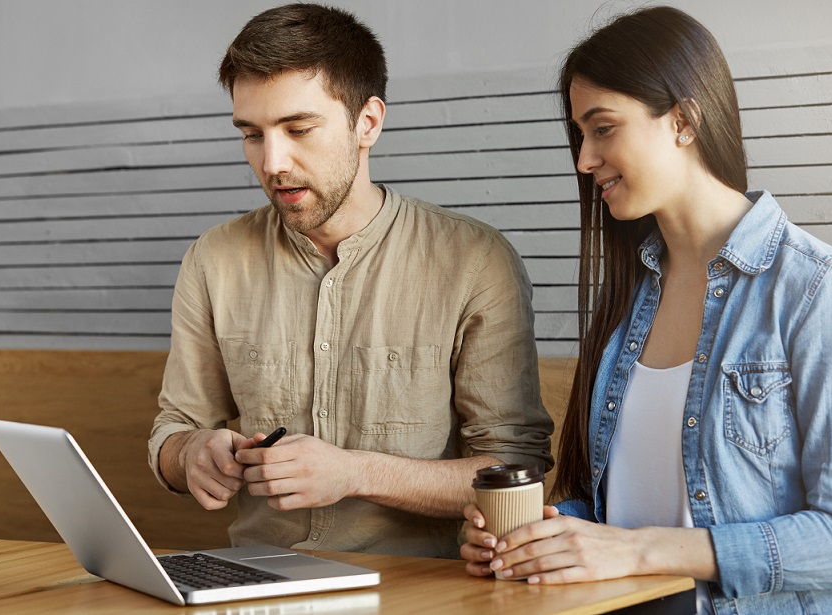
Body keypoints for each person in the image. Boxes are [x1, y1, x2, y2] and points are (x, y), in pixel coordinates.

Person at [460, 5, 832, 613]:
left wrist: (640, 552)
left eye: (602, 128)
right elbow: (621, 514)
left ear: (683, 120)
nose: (584, 160)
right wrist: (541, 537)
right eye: (580, 135)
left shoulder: (813, 291)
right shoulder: (630, 296)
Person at [148, 3, 553, 559]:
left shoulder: (475, 260)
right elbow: (174, 429)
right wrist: (189, 452)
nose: (273, 163)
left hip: (416, 593)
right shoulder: (213, 259)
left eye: (298, 129)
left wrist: (357, 473)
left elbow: (515, 469)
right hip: (257, 580)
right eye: (252, 134)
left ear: (368, 122)